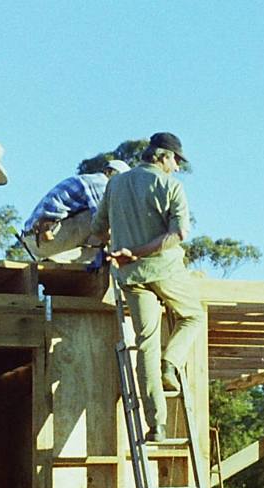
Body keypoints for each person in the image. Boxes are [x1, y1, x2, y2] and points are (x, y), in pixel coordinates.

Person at [90, 132, 205, 442]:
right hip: (164, 270)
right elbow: (178, 233)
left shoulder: (115, 183)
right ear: (162, 156)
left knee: (146, 345)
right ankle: (172, 362)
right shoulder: (170, 186)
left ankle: (157, 427)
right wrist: (140, 250)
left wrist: (120, 248)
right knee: (194, 316)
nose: (178, 167)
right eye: (176, 160)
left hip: (130, 276)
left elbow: (98, 229)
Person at [21, 160, 131, 259]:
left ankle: (63, 258)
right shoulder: (102, 183)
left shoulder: (88, 180)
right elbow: (101, 223)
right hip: (46, 237)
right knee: (103, 220)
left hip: (35, 239)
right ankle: (98, 260)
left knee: (100, 228)